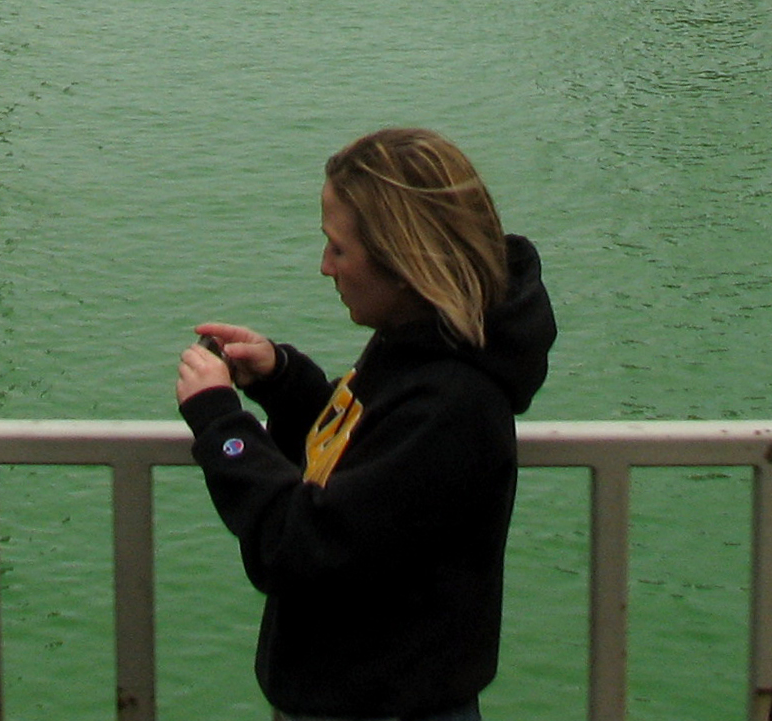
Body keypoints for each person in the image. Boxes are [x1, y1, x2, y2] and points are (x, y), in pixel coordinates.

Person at [174, 128, 556, 721]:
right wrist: (283, 380)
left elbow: (300, 544)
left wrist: (221, 424)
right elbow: (366, 463)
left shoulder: (453, 404)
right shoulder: (423, 347)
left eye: (338, 249)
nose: (324, 267)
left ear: (404, 265)